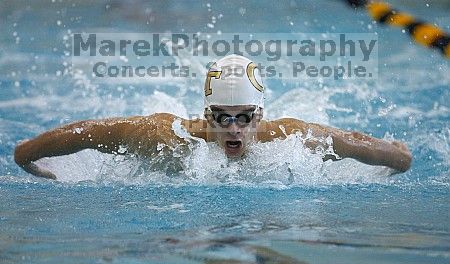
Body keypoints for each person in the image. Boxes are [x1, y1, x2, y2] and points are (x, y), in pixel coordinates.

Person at [14, 55, 412, 179]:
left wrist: (397, 156)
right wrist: (25, 155)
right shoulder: (164, 136)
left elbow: (354, 143)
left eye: (245, 118)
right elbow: (87, 132)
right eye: (223, 118)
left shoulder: (289, 138)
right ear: (206, 115)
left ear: (261, 115)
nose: (235, 129)